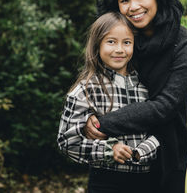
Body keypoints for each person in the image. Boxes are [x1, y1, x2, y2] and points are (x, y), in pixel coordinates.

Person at [84, 0, 187, 193]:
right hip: (113, 158)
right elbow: (93, 83)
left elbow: (165, 106)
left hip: (165, 159)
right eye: (124, 0)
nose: (133, 6)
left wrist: (104, 123)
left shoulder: (185, 44)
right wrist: (88, 117)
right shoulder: (118, 43)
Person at [57, 12, 160, 193]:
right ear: (97, 45)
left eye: (126, 42)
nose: (119, 49)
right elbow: (67, 141)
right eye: (111, 41)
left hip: (146, 181)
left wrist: (141, 152)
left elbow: (160, 132)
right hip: (105, 181)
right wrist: (109, 151)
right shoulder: (85, 91)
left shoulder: (147, 87)